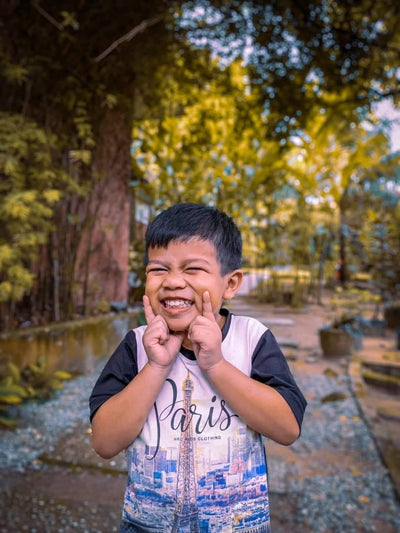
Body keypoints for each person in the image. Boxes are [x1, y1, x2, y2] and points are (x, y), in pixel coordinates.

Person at [89, 202, 307, 532]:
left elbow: (287, 428)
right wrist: (157, 367)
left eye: (192, 269)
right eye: (158, 269)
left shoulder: (251, 339)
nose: (174, 282)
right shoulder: (136, 344)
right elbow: (104, 442)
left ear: (230, 284)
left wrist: (216, 365)